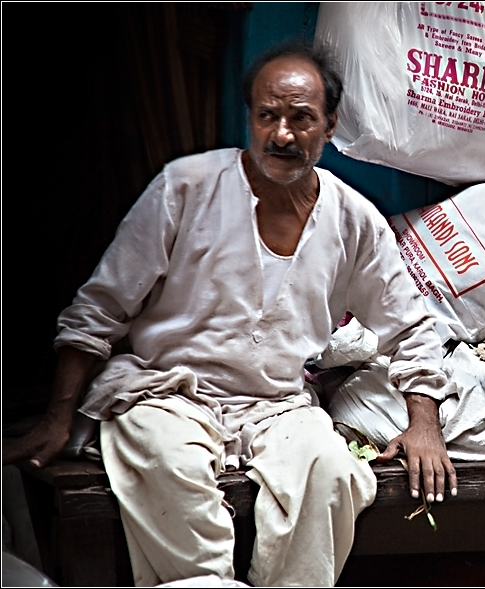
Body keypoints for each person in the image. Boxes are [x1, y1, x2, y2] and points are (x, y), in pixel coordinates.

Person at [2, 38, 458, 587]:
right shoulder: (185, 187)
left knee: (332, 471)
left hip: (277, 404)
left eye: (301, 118)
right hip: (165, 391)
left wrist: (424, 426)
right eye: (268, 116)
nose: (282, 134)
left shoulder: (353, 219)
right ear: (250, 118)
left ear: (330, 125)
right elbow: (100, 309)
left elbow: (410, 325)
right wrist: (58, 417)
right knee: (164, 461)